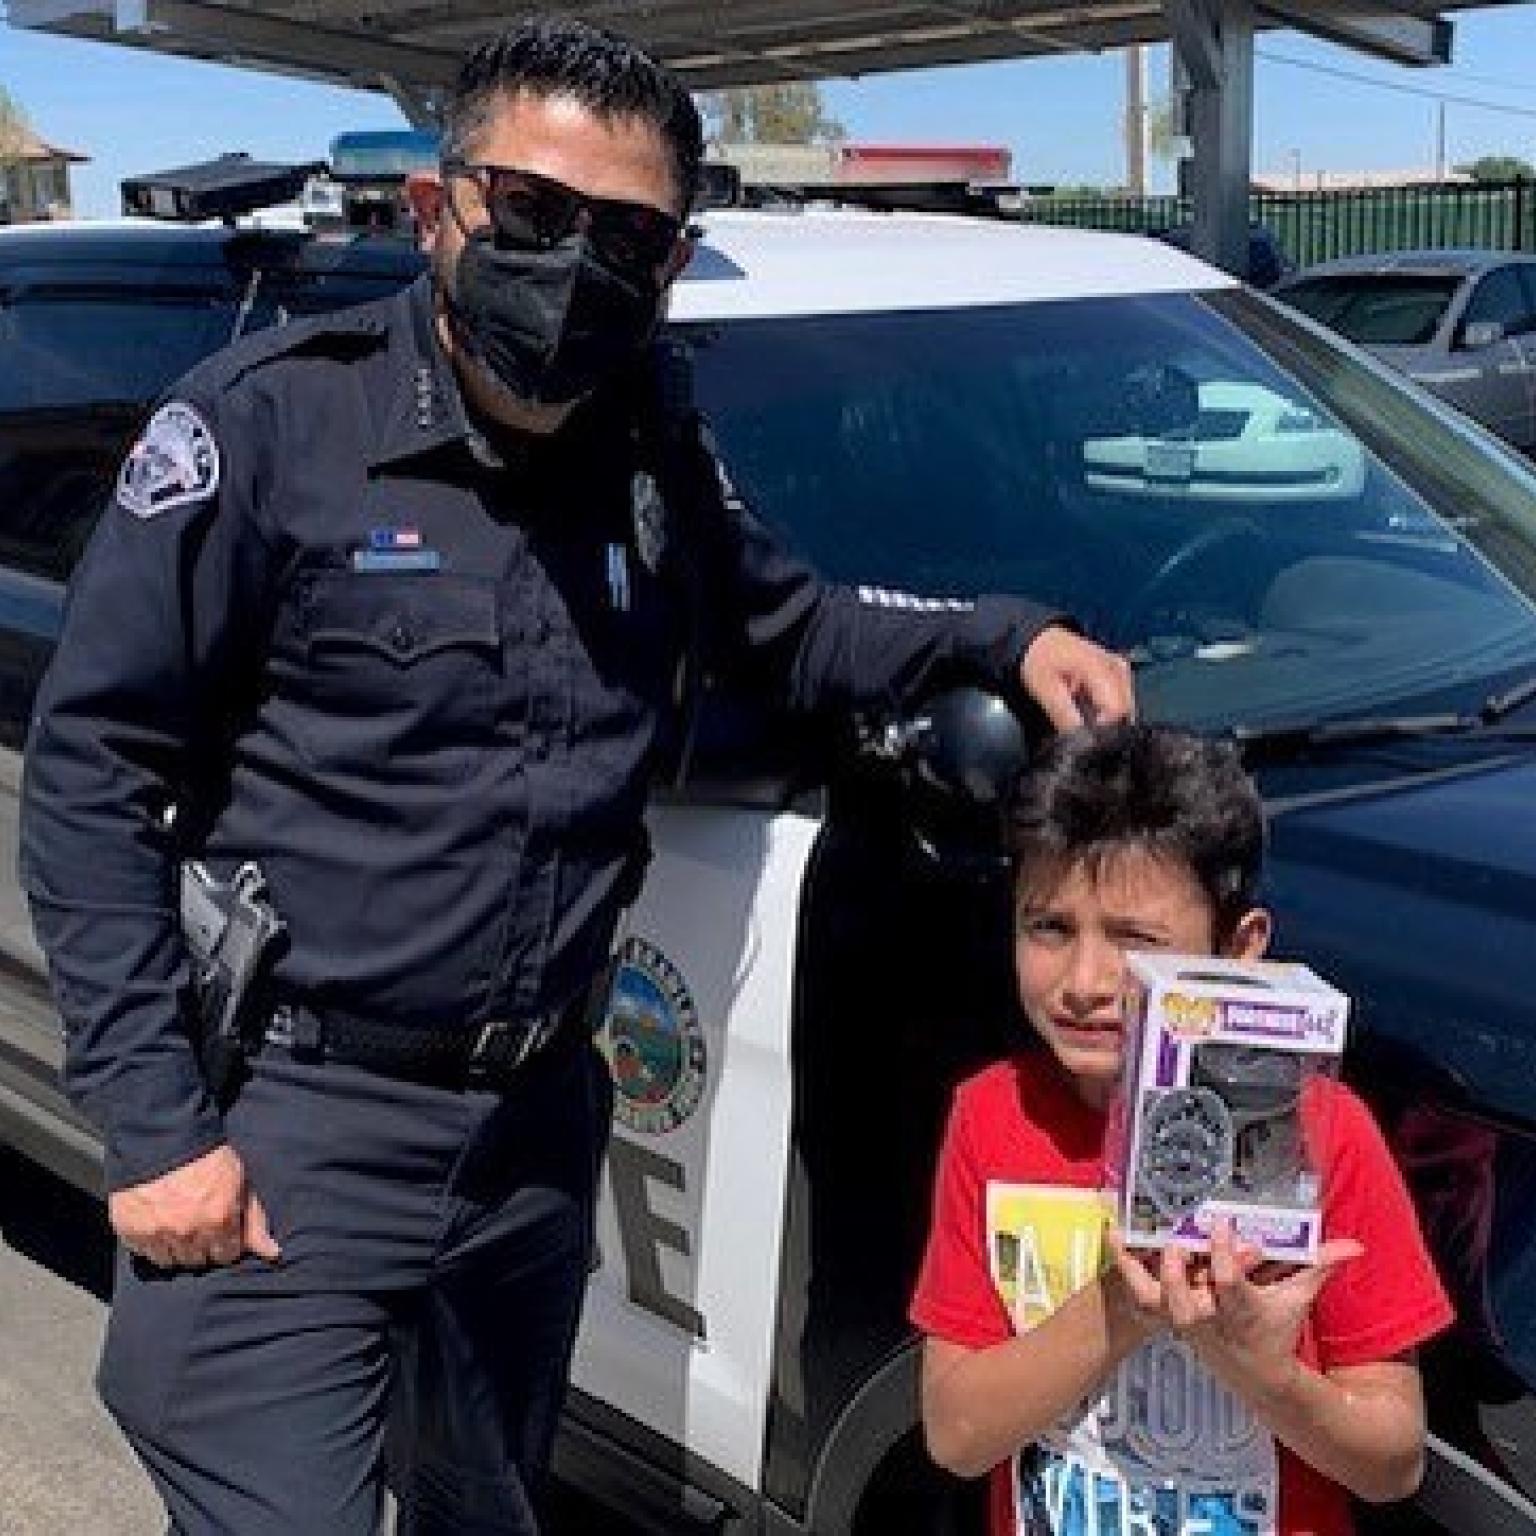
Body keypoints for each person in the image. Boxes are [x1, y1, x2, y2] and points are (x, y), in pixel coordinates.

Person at [18, 16, 1134, 1536]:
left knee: (488, 1506)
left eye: (627, 236)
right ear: (439, 210)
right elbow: (92, 779)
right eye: (534, 214)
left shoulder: (646, 447)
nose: (576, 263)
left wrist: (1018, 634)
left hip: (536, 1130)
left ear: (670, 263)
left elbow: (788, 631)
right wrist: (157, 1133)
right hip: (293, 1119)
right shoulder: (271, 425)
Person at [909, 723, 1453, 1535]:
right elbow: (955, 1435)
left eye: (1134, 940)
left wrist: (1264, 1373)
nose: (1085, 982)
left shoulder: (1322, 1132)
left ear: (1240, 949)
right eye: (1048, 927)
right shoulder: (993, 1116)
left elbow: (1392, 1462)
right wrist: (1129, 1306)